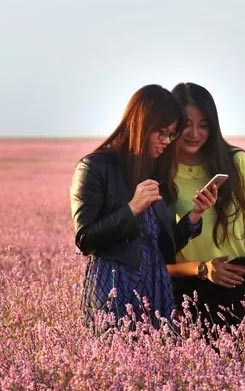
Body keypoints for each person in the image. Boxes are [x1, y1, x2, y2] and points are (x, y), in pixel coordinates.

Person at [70, 84, 218, 333]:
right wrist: (131, 209)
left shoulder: (158, 174)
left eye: (171, 135)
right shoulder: (94, 168)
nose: (166, 141)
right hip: (114, 289)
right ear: (140, 125)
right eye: (161, 133)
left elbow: (162, 246)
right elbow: (85, 240)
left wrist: (194, 215)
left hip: (157, 292)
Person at [166, 82, 245, 341]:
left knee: (232, 373)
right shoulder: (161, 172)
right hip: (184, 288)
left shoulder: (237, 162)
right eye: (186, 124)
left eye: (203, 125)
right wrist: (203, 268)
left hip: (234, 284)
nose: (194, 133)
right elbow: (159, 248)